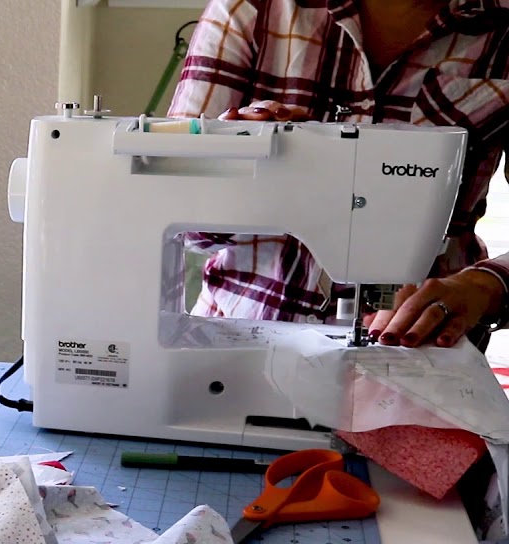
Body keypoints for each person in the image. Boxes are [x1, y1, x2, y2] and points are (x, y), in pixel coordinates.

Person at [168, 0, 509, 348]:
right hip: (239, 335)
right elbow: (176, 209)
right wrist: (240, 166)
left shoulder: (503, 30)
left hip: (428, 339)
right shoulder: (251, 10)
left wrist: (484, 286)